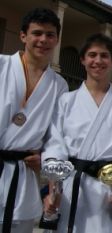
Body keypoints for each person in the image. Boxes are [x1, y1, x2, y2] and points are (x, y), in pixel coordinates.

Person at [41, 33, 112, 233]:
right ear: (83, 60)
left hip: (108, 190)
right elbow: (55, 146)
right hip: (70, 187)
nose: (98, 61)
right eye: (92, 55)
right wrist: (53, 191)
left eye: (104, 55)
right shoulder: (66, 101)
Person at [0, 8, 68, 233]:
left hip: (22, 177)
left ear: (57, 40)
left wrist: (50, 170)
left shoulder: (59, 85)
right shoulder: (1, 66)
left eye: (50, 35)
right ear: (23, 36)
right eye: (37, 33)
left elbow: (55, 138)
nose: (43, 40)